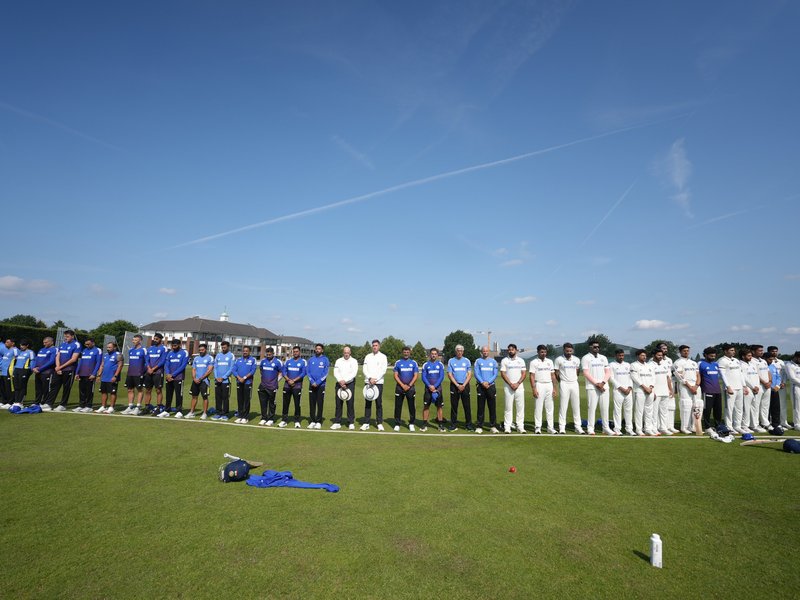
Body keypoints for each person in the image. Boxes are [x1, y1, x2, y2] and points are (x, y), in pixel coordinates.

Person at [582, 339, 612, 435]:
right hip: (592, 387)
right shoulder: (586, 358)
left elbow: (608, 372)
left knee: (605, 408)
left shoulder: (603, 358)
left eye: (598, 347)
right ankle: (590, 428)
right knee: (591, 408)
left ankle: (606, 428)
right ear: (590, 347)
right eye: (595, 347)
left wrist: (602, 383)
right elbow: (586, 373)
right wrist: (597, 384)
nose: (597, 348)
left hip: (604, 386)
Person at [673, 345, 702, 434]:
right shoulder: (678, 362)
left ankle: (694, 426)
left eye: (687, 350)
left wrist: (696, 386)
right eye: (684, 351)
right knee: (686, 406)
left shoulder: (693, 363)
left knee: (697, 405)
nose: (686, 352)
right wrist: (690, 387)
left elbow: (698, 375)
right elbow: (680, 377)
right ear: (680, 352)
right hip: (685, 386)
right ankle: (684, 427)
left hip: (696, 386)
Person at [554, 343, 583, 434]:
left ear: (572, 351)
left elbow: (577, 371)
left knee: (576, 406)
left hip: (574, 383)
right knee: (563, 406)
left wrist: (573, 378)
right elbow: (556, 373)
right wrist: (561, 381)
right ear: (564, 350)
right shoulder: (559, 359)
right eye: (567, 351)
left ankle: (578, 427)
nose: (569, 353)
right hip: (564, 384)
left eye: (570, 351)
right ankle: (562, 427)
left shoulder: (576, 359)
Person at [529, 345, 557, 434]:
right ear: (538, 352)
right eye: (541, 352)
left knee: (550, 408)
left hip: (549, 385)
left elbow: (553, 375)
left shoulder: (550, 362)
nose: (543, 354)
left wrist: (554, 388)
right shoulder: (533, 362)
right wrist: (534, 389)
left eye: (545, 352)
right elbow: (532, 376)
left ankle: (550, 427)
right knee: (538, 407)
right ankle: (538, 427)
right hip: (539, 384)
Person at [50, 329, 81, 411]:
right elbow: (57, 356)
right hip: (59, 369)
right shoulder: (62, 344)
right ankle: (49, 403)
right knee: (54, 386)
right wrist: (57, 367)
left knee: (66, 388)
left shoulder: (77, 344)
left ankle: (63, 405)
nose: (65, 338)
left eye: (67, 336)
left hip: (69, 369)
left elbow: (73, 359)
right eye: (65, 336)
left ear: (72, 336)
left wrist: (60, 367)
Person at [361, 339, 388, 431]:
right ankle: (366, 423)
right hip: (368, 382)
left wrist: (375, 379)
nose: (374, 347)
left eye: (376, 345)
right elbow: (364, 369)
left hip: (378, 383)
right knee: (368, 403)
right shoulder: (368, 356)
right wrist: (370, 378)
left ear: (379, 346)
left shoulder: (383, 357)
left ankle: (379, 423)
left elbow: (383, 370)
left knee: (379, 403)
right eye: (373, 345)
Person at [718, 343, 745, 433]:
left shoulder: (736, 360)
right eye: (731, 350)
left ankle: (737, 426)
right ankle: (729, 426)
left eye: (734, 350)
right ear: (725, 351)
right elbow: (722, 375)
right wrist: (728, 386)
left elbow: (740, 374)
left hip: (739, 387)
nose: (734, 352)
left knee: (739, 408)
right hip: (730, 388)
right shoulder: (722, 361)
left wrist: (744, 386)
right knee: (729, 408)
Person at [500, 343, 527, 434]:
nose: (510, 351)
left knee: (520, 408)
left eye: (512, 349)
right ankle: (507, 427)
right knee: (508, 408)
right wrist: (511, 384)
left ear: (516, 350)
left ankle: (520, 427)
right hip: (508, 387)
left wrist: (518, 383)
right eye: (509, 350)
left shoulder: (521, 361)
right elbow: (503, 373)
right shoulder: (504, 360)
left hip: (519, 387)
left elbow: (524, 373)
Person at [447, 344, 474, 431]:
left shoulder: (467, 361)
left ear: (463, 352)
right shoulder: (451, 360)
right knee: (454, 406)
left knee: (467, 406)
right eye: (458, 350)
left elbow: (469, 374)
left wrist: (463, 385)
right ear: (456, 351)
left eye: (461, 351)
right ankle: (453, 424)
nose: (459, 352)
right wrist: (457, 385)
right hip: (454, 386)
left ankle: (468, 425)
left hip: (465, 386)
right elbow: (450, 374)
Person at [473, 345, 499, 434]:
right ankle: (479, 426)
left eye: (487, 351)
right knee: (480, 407)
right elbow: (476, 373)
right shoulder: (478, 361)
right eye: (483, 351)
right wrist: (482, 382)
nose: (485, 352)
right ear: (481, 352)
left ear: (489, 351)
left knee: (492, 407)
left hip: (491, 386)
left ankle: (493, 426)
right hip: (481, 386)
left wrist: (488, 382)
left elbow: (495, 374)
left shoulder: (493, 362)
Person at [630, 349, 656, 435]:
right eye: (642, 355)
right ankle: (639, 429)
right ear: (638, 356)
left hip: (650, 391)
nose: (644, 357)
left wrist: (651, 387)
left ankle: (648, 429)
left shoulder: (649, 366)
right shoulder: (633, 365)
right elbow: (635, 378)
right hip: (639, 390)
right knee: (639, 411)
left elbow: (653, 377)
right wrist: (644, 387)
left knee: (649, 410)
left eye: (645, 355)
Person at [393, 346, 419, 432]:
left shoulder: (413, 363)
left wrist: (409, 385)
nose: (406, 353)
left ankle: (411, 423)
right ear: (402, 353)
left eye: (407, 352)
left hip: (410, 388)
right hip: (399, 387)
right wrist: (402, 385)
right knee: (398, 406)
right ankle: (397, 424)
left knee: (411, 406)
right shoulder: (398, 362)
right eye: (404, 352)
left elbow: (416, 375)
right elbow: (395, 375)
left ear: (410, 353)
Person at [279, 345, 306, 428]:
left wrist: (293, 380)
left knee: (297, 404)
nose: (295, 353)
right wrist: (288, 380)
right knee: (285, 403)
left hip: (297, 386)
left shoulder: (303, 362)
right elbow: (284, 372)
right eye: (294, 352)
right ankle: (284, 420)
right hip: (287, 385)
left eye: (297, 351)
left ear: (299, 352)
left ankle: (297, 421)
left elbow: (303, 373)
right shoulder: (288, 361)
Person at [331, 346, 357, 430]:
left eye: (348, 353)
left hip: (350, 384)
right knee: (338, 403)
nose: (346, 354)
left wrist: (345, 381)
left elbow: (353, 373)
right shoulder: (338, 361)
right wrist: (340, 381)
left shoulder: (354, 361)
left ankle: (351, 422)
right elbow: (336, 372)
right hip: (339, 383)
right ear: (343, 353)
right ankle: (337, 422)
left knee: (350, 403)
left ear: (350, 353)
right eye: (345, 352)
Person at [649, 348, 674, 435]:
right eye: (658, 355)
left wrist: (670, 389)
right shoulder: (649, 365)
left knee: (664, 411)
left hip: (665, 391)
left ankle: (663, 428)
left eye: (661, 355)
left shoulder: (665, 364)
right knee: (654, 412)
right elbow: (649, 380)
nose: (660, 357)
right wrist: (652, 391)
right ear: (654, 355)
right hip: (656, 392)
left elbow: (668, 378)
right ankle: (654, 428)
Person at [420, 348, 446, 432]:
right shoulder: (425, 365)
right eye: (432, 354)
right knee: (426, 406)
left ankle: (440, 425)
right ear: (430, 355)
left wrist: (434, 386)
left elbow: (441, 377)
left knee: (439, 407)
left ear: (437, 355)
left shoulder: (440, 364)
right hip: (428, 389)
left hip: (438, 389)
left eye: (435, 354)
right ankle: (424, 424)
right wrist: (429, 386)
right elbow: (423, 377)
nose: (433, 355)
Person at [609, 349, 633, 435]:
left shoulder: (628, 365)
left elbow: (631, 377)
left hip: (628, 391)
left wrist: (629, 387)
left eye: (622, 355)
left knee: (628, 410)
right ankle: (617, 429)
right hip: (618, 391)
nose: (621, 357)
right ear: (615, 356)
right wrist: (621, 388)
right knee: (617, 410)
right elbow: (611, 378)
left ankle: (629, 429)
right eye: (619, 355)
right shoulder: (612, 365)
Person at [74, 338, 101, 413]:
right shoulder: (84, 350)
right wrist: (77, 373)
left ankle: (89, 406)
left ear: (93, 343)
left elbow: (98, 362)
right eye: (85, 344)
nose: (87, 345)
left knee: (89, 391)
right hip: (82, 373)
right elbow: (80, 362)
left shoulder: (97, 350)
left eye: (88, 344)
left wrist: (94, 373)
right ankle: (81, 405)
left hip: (90, 374)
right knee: (82, 390)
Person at [698, 347, 723, 431]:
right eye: (711, 356)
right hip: (707, 390)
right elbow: (697, 376)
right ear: (705, 355)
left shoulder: (715, 364)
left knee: (718, 410)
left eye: (714, 356)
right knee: (707, 409)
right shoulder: (700, 364)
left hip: (717, 391)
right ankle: (707, 427)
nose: (713, 357)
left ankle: (718, 425)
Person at [187, 343, 214, 419]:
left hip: (204, 381)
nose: (201, 351)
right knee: (194, 396)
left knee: (205, 397)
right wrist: (194, 378)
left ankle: (204, 413)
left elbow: (209, 370)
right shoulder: (196, 358)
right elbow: (193, 369)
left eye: (202, 350)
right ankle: (191, 412)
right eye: (199, 350)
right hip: (195, 381)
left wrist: (201, 378)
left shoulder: (210, 358)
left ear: (206, 350)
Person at [122, 334, 147, 415]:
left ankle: (138, 407)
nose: (133, 341)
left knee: (139, 390)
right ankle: (130, 407)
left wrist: (143, 371)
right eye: (133, 340)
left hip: (139, 373)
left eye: (135, 340)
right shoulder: (131, 350)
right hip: (130, 373)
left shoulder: (143, 350)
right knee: (130, 389)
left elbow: (147, 362)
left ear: (140, 341)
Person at [306, 343, 330, 429]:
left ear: (322, 350)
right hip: (312, 385)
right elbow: (308, 371)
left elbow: (326, 372)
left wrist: (318, 382)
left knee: (320, 403)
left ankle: (319, 421)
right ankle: (312, 421)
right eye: (316, 349)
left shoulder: (325, 359)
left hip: (321, 385)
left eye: (319, 349)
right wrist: (312, 381)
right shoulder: (310, 359)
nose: (317, 350)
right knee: (312, 404)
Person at [163, 339, 188, 418]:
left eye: (175, 346)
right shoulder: (170, 353)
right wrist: (168, 374)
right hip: (169, 377)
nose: (173, 347)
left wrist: (173, 375)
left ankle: (179, 411)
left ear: (179, 345)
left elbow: (183, 365)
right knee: (168, 394)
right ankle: (167, 410)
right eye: (172, 346)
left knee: (178, 395)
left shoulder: (184, 352)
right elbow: (166, 364)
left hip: (178, 377)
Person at [256, 346, 282, 426]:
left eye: (270, 354)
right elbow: (261, 370)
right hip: (263, 385)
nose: (268, 356)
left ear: (273, 354)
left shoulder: (278, 362)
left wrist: (276, 381)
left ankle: (270, 419)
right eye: (267, 354)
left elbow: (281, 372)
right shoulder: (263, 361)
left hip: (272, 386)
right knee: (263, 403)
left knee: (272, 403)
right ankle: (264, 418)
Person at [232, 346, 257, 424]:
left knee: (246, 400)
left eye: (246, 351)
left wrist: (244, 378)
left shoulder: (253, 360)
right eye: (244, 351)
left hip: (248, 382)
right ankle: (240, 416)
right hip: (239, 382)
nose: (245, 352)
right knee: (240, 400)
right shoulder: (238, 360)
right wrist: (239, 377)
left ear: (249, 352)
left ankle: (245, 417)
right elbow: (234, 370)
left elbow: (253, 371)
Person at [96, 342, 123, 413]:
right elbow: (102, 365)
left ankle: (111, 407)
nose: (108, 349)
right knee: (103, 392)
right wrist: (99, 375)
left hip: (112, 377)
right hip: (104, 377)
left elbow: (120, 366)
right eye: (107, 347)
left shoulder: (118, 355)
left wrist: (115, 376)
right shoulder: (105, 355)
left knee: (112, 392)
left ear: (114, 348)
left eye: (110, 347)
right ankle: (103, 406)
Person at [143, 333, 167, 415]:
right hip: (149, 372)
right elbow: (147, 359)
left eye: (157, 339)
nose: (155, 340)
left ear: (160, 339)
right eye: (154, 339)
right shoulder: (150, 348)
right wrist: (149, 368)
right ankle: (147, 407)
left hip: (158, 372)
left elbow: (163, 361)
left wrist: (153, 369)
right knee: (147, 390)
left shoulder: (164, 348)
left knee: (158, 390)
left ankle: (158, 408)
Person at [767, 346, 791, 429]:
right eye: (772, 351)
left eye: (776, 351)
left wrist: (783, 382)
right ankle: (770, 422)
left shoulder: (781, 361)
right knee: (771, 405)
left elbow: (783, 373)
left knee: (782, 404)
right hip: (771, 387)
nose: (774, 353)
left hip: (780, 386)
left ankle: (784, 422)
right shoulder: (767, 361)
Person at [750, 345, 772, 432]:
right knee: (755, 405)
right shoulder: (752, 361)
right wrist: (764, 382)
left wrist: (770, 381)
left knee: (765, 406)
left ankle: (765, 423)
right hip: (758, 385)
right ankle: (755, 424)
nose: (762, 352)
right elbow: (755, 374)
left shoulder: (763, 361)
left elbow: (768, 371)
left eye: (762, 350)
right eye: (759, 350)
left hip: (767, 386)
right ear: (753, 351)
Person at [212, 341, 235, 421]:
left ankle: (225, 414)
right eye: (222, 347)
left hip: (226, 380)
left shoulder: (231, 355)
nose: (223, 349)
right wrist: (216, 377)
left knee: (225, 397)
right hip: (217, 380)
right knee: (218, 397)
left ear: (228, 347)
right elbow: (215, 367)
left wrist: (223, 377)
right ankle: (218, 413)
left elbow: (231, 368)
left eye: (225, 347)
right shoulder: (218, 355)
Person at [32, 337, 57, 409]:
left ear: (51, 342)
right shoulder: (41, 349)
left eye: (46, 342)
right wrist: (33, 368)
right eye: (43, 342)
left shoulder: (54, 349)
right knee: (38, 388)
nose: (44, 344)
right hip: (38, 372)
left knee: (46, 388)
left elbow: (51, 361)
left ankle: (45, 402)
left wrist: (40, 369)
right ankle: (37, 402)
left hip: (47, 372)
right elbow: (36, 359)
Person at [739, 348, 759, 434]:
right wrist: (752, 386)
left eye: (751, 355)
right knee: (746, 408)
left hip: (755, 388)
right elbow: (744, 378)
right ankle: (744, 426)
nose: (750, 357)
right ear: (743, 356)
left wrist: (757, 386)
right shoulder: (741, 364)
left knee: (754, 407)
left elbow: (756, 375)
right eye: (748, 355)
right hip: (747, 388)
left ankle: (754, 425)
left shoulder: (752, 364)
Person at [10, 339, 35, 408]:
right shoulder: (20, 352)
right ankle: (16, 401)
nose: (21, 346)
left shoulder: (30, 352)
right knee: (16, 386)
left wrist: (30, 370)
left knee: (22, 386)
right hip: (17, 370)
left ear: (27, 345)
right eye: (20, 345)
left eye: (23, 345)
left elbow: (33, 361)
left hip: (24, 370)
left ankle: (20, 402)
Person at [766, 355, 783, 429]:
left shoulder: (773, 366)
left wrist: (777, 386)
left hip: (775, 389)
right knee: (767, 407)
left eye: (772, 360)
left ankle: (776, 423)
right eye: (770, 359)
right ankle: (766, 423)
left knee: (776, 407)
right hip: (767, 389)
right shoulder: (764, 366)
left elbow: (778, 377)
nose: (771, 361)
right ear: (765, 359)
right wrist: (771, 386)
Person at [785, 351, 800, 432]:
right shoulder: (789, 365)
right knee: (797, 406)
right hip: (796, 388)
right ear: (796, 357)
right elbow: (792, 378)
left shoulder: (798, 365)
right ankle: (797, 424)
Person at [0, 338, 18, 407]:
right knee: (2, 387)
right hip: (3, 371)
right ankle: (3, 401)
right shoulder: (7, 350)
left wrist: (14, 370)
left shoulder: (15, 350)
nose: (5, 343)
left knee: (9, 387)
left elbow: (17, 359)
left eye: (7, 342)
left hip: (9, 371)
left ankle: (10, 402)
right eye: (5, 342)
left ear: (12, 343)